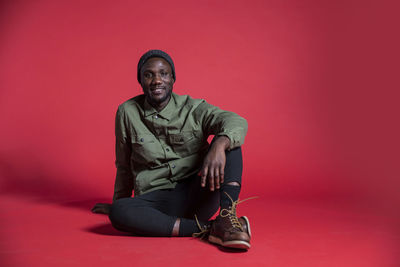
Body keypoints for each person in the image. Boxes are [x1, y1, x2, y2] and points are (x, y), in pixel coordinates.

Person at [92, 49, 252, 250]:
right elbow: (124, 165)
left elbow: (235, 121)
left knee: (230, 143)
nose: (156, 80)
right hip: (160, 202)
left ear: (173, 78)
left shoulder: (193, 108)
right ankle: (212, 228)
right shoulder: (127, 112)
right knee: (118, 212)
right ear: (140, 81)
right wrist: (121, 203)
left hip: (199, 191)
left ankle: (227, 217)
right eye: (148, 75)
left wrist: (219, 144)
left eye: (163, 73)